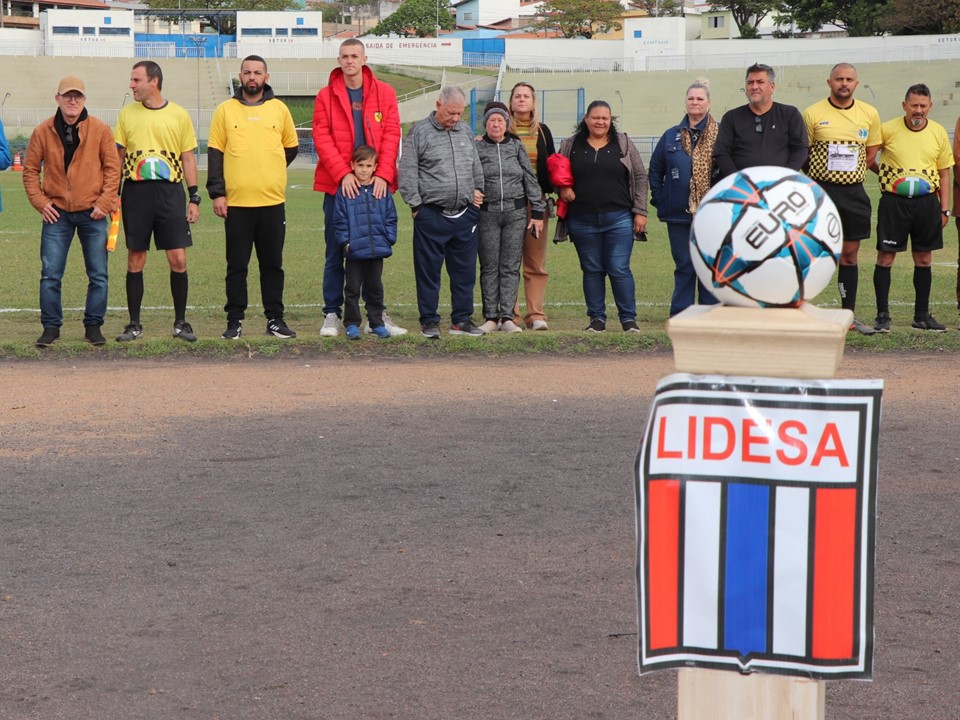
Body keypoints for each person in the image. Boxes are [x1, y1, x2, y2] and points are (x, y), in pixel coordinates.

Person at [312, 38, 405, 337]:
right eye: (344, 56)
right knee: (334, 252)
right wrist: (342, 174)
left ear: (364, 59)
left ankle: (376, 317)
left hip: (374, 187)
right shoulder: (326, 96)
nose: (349, 61)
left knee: (372, 253)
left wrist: (383, 174)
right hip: (338, 186)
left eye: (355, 56)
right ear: (338, 60)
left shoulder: (385, 93)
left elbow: (391, 135)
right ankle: (332, 314)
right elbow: (321, 137)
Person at [22, 76, 121, 347]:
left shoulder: (100, 130)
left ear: (84, 100)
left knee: (98, 274)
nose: (72, 100)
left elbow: (113, 170)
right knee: (51, 273)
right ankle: (51, 327)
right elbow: (30, 171)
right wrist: (41, 202)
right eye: (67, 96)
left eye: (77, 96)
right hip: (57, 213)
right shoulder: (42, 131)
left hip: (93, 213)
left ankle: (93, 326)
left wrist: (104, 202)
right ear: (58, 99)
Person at [208, 55, 299, 341]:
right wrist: (218, 193)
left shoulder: (279, 109)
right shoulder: (225, 110)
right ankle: (234, 320)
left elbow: (290, 148)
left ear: (266, 77)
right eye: (247, 72)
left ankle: (275, 319)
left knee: (272, 264)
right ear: (240, 76)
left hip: (272, 202)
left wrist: (269, 170)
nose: (252, 77)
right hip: (236, 204)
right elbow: (215, 154)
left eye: (257, 72)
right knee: (237, 266)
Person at [114, 60, 200, 342]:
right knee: (136, 258)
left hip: (170, 193)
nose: (131, 85)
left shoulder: (178, 115)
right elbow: (118, 157)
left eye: (136, 80)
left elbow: (188, 157)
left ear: (154, 81)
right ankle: (134, 324)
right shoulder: (127, 114)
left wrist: (194, 196)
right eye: (131, 80)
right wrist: (113, 194)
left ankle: (180, 323)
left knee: (178, 258)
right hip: (136, 194)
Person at [551, 100, 648, 333]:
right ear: (586, 119)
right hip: (582, 219)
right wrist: (561, 189)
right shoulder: (570, 145)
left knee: (619, 268)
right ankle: (597, 320)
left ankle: (628, 320)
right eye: (595, 117)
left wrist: (640, 211)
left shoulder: (623, 144)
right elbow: (556, 173)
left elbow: (640, 177)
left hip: (619, 218)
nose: (600, 122)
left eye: (605, 118)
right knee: (592, 269)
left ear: (611, 120)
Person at [398, 86, 485, 338]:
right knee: (428, 272)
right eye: (451, 113)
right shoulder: (419, 132)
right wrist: (416, 207)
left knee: (465, 272)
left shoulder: (465, 131)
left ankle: (461, 320)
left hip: (464, 216)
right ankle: (429, 321)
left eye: (459, 113)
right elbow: (407, 172)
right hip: (431, 215)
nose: (455, 118)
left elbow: (475, 166)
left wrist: (477, 191)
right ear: (438, 105)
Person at [802, 63, 882, 336]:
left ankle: (848, 316)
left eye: (849, 79)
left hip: (854, 194)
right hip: (821, 193)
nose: (844, 83)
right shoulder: (812, 113)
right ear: (829, 82)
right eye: (839, 79)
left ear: (856, 83)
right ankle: (801, 313)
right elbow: (804, 155)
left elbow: (870, 155)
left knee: (849, 255)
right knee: (810, 255)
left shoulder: (869, 113)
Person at [869, 83, 953, 333]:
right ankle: (882, 315)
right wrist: (886, 174)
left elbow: (944, 173)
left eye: (923, 106)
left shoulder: (938, 132)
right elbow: (870, 156)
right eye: (914, 105)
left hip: (927, 203)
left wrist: (944, 209)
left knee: (924, 258)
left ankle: (922, 315)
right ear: (904, 105)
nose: (918, 110)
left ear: (930, 107)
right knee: (885, 257)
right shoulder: (888, 129)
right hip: (894, 202)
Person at [649, 79, 720, 317]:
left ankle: (710, 314)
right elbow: (656, 169)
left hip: (712, 214)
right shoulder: (671, 135)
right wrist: (660, 198)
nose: (695, 102)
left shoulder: (721, 134)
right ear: (685, 102)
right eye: (691, 98)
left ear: (709, 103)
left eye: (700, 98)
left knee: (709, 266)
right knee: (684, 266)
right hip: (679, 214)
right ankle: (682, 314)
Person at [475, 101, 545, 334]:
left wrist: (536, 210)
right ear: (486, 124)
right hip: (487, 213)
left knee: (510, 265)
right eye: (492, 120)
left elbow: (529, 177)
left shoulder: (515, 145)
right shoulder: (477, 146)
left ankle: (507, 317)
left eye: (501, 120)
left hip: (515, 214)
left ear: (507, 124)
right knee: (489, 265)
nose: (496, 124)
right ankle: (491, 317)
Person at [332, 145, 398, 340]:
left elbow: (391, 218)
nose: (364, 169)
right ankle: (352, 324)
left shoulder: (382, 190)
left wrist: (388, 239)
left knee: (375, 288)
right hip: (354, 251)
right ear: (352, 165)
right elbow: (340, 220)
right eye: (360, 165)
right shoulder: (346, 191)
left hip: (377, 250)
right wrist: (346, 243)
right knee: (352, 289)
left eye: (368, 165)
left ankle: (376, 322)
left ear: (375, 167)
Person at [507, 82, 555, 330]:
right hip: (508, 204)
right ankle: (510, 315)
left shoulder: (543, 132)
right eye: (517, 96)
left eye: (526, 96)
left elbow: (552, 167)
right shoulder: (501, 128)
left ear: (534, 102)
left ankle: (535, 315)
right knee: (509, 261)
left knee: (535, 262)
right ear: (511, 102)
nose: (522, 100)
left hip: (536, 205)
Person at [714, 63, 808, 177]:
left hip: (779, 186)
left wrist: (785, 177)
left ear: (772, 87)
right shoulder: (731, 117)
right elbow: (721, 153)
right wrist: (737, 179)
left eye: (760, 82)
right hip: (742, 188)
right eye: (750, 82)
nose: (754, 87)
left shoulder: (790, 114)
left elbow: (800, 149)